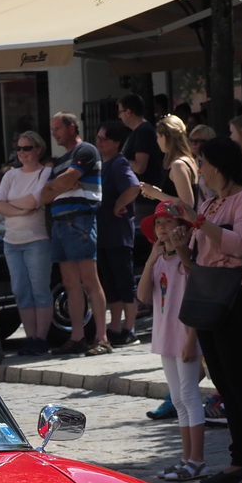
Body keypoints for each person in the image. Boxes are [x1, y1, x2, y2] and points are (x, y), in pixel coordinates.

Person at [191, 136, 242, 483]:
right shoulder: (210, 203)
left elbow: (241, 243)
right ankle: (239, 458)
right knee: (223, 382)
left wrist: (197, 222)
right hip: (209, 294)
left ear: (219, 165)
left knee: (240, 379)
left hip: (236, 295)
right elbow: (198, 253)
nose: (200, 169)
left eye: (203, 162)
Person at [136, 207, 206, 481]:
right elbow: (143, 296)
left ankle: (197, 459)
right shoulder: (160, 261)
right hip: (165, 335)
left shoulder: (185, 261)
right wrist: (150, 260)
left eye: (169, 222)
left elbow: (196, 297)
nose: (163, 228)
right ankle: (185, 458)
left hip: (185, 335)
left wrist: (192, 338)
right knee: (177, 399)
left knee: (189, 395)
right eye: (159, 223)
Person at [39, 111, 107, 356]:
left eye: (57, 128)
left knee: (90, 280)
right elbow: (43, 196)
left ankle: (102, 338)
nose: (54, 134)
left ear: (71, 127)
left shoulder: (85, 151)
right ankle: (77, 336)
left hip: (80, 219)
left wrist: (57, 185)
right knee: (69, 282)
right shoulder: (59, 161)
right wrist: (59, 185)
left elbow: (64, 182)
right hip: (59, 222)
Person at [0, 129, 53, 355]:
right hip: (12, 241)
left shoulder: (45, 172)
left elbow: (35, 201)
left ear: (38, 149)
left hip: (37, 239)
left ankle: (41, 337)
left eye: (27, 148)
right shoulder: (10, 176)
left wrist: (13, 206)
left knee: (40, 289)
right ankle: (30, 337)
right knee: (20, 290)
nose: (22, 153)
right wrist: (21, 208)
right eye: (18, 148)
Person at [94, 121, 142, 346]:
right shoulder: (102, 164)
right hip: (102, 234)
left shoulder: (119, 163)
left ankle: (130, 328)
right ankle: (115, 326)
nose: (99, 142)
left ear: (115, 143)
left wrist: (117, 205)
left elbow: (133, 187)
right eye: (98, 138)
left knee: (123, 282)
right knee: (110, 283)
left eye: (104, 139)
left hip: (118, 235)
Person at [117, 93, 163, 212]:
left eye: (120, 112)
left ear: (128, 112)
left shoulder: (144, 132)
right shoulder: (137, 132)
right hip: (138, 199)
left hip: (145, 201)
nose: (119, 116)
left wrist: (120, 160)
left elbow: (140, 167)